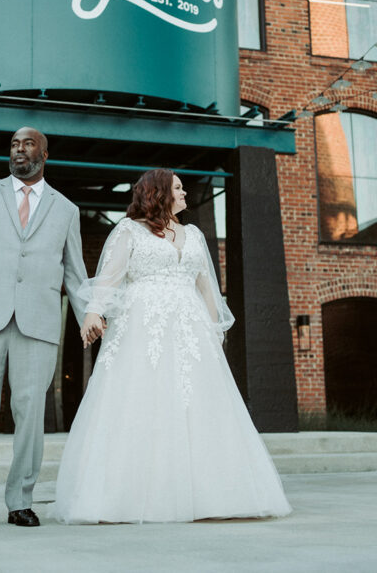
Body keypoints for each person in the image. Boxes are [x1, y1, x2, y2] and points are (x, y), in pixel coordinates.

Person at [54, 169, 292, 523]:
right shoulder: (128, 231)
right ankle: (129, 495)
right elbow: (109, 277)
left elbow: (206, 287)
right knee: (142, 399)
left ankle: (212, 494)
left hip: (191, 329)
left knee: (197, 404)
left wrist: (214, 330)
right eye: (178, 189)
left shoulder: (193, 234)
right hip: (142, 327)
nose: (184, 194)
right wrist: (93, 312)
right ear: (159, 193)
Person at [0, 127, 101, 529]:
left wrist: (89, 318)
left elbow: (76, 274)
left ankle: (21, 501)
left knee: (30, 414)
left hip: (39, 322)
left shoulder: (66, 210)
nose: (19, 150)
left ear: (44, 154)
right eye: (14, 144)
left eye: (28, 144)